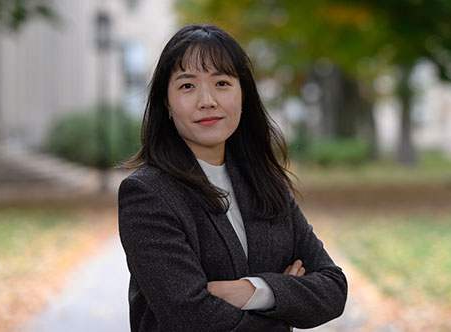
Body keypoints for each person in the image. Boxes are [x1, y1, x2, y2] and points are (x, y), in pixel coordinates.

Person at [118, 23, 347, 332]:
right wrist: (285, 307)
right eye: (187, 86)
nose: (207, 100)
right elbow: (189, 317)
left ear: (243, 96)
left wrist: (253, 292)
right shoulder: (147, 193)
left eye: (222, 83)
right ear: (167, 104)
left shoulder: (265, 183)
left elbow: (333, 288)